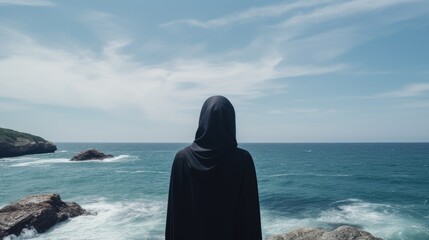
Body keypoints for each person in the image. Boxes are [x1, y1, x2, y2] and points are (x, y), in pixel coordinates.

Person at [165, 95, 262, 240]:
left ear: (203, 120)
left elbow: (175, 214)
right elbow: (250, 216)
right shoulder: (243, 160)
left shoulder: (182, 158)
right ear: (231, 121)